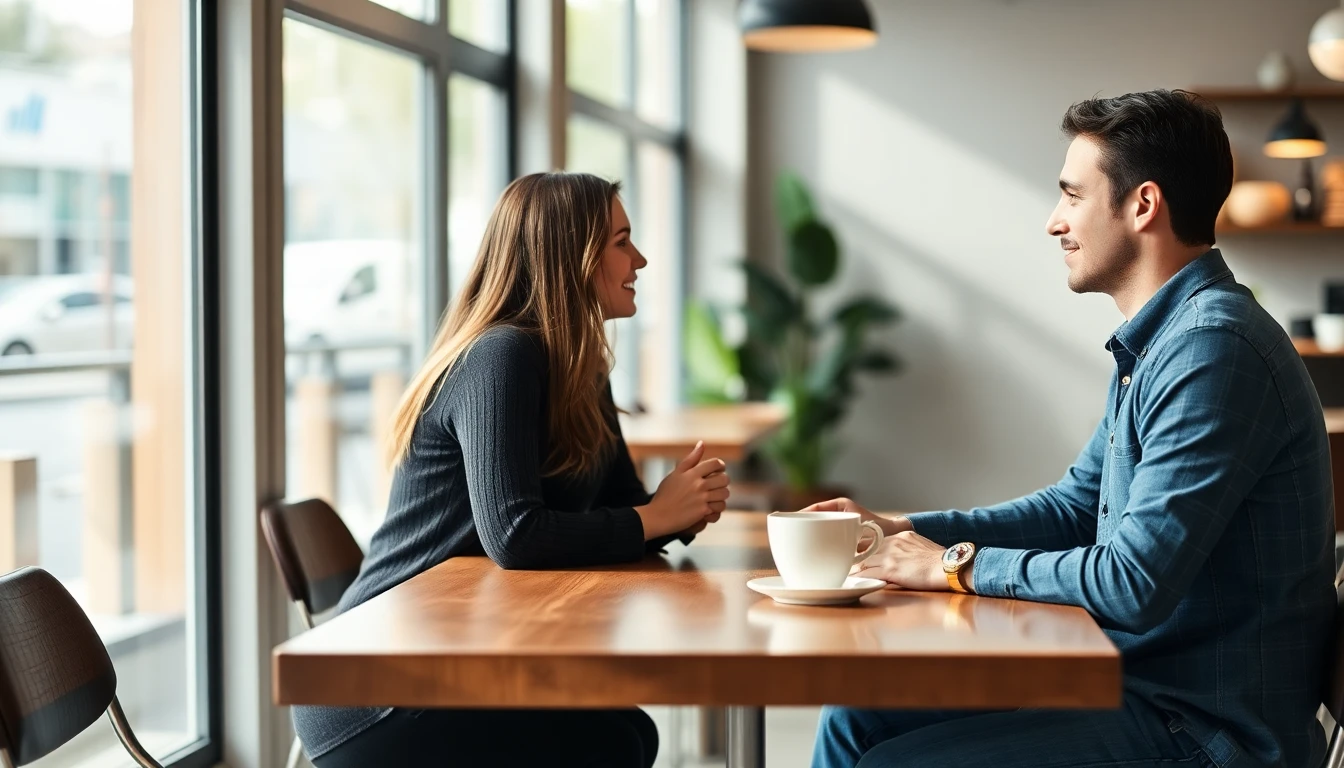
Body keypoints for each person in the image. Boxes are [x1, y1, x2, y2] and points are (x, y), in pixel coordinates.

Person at [809, 90, 1335, 768]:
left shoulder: (1214, 349)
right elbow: (1074, 508)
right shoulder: (1163, 342)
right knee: (859, 713)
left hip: (1208, 731)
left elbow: (1132, 583)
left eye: (1071, 196)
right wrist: (903, 528)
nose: (1054, 222)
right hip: (1143, 690)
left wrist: (950, 566)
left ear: (1143, 205)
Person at [294, 172, 731, 768]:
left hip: (458, 653)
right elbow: (516, 534)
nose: (642, 259)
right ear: (570, 258)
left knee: (627, 730)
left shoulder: (581, 370)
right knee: (615, 741)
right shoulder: (504, 355)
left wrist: (680, 505)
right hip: (379, 688)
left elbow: (624, 502)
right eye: (622, 242)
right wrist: (654, 515)